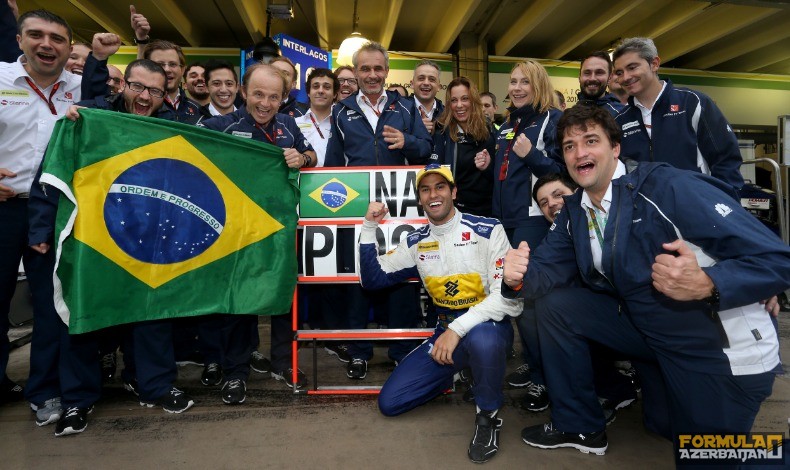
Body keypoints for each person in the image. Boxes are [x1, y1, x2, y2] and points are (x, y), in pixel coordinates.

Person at [503, 105, 789, 455]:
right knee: (556, 307)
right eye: (569, 146)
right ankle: (580, 427)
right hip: (650, 330)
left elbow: (775, 258)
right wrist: (516, 275)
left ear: (616, 148)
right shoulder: (576, 209)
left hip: (713, 347)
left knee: (703, 453)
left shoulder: (669, 186)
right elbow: (546, 270)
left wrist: (711, 283)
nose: (580, 153)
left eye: (591, 140)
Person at [59, 59, 196, 418]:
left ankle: (155, 384)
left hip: (149, 235)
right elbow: (58, 166)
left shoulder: (173, 127)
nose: (145, 96)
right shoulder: (89, 114)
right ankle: (79, 398)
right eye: (138, 86)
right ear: (123, 86)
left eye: (155, 91)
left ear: (165, 95)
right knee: (88, 311)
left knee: (152, 313)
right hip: (94, 233)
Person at [364, 164, 521, 463]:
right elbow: (372, 279)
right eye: (425, 189)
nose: (433, 194)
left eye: (440, 187)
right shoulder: (416, 241)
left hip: (488, 328)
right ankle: (459, 371)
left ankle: (487, 415)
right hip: (445, 334)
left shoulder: (489, 229)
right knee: (390, 402)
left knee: (484, 339)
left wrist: (457, 330)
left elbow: (510, 301)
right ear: (420, 198)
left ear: (453, 192)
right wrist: (369, 227)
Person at [0, 9, 99, 437]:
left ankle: (44, 392)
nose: (47, 45)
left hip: (55, 215)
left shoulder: (81, 88)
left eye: (57, 39)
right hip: (4, 209)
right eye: (37, 35)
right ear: (20, 39)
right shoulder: (0, 79)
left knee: (51, 306)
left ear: (67, 47)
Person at [199, 63, 316, 404]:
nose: (265, 103)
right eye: (259, 94)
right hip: (237, 233)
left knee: (282, 299)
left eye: (274, 97)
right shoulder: (219, 126)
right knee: (240, 304)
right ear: (244, 93)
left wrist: (302, 158)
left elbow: (311, 155)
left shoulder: (289, 125)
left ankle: (283, 363)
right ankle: (236, 372)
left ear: (284, 99)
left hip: (280, 230)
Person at [324, 41, 432, 380]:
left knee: (401, 277)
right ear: (355, 73)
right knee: (359, 280)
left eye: (378, 68)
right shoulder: (340, 110)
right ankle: (359, 351)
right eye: (365, 69)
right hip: (358, 209)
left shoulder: (405, 106)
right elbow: (331, 163)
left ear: (386, 72)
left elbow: (427, 149)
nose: (372, 75)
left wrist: (408, 142)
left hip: (400, 208)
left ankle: (401, 350)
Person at [483, 60, 564, 411]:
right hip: (505, 220)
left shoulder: (553, 119)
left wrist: (531, 156)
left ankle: (547, 379)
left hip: (533, 220)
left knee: (534, 304)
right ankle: (535, 364)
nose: (516, 88)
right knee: (517, 302)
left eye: (524, 82)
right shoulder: (509, 123)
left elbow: (564, 172)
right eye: (513, 82)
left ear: (538, 84)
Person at [612, 37, 743, 192]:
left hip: (696, 208)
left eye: (632, 67)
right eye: (619, 72)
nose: (625, 77)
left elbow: (726, 160)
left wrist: (723, 206)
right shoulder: (619, 120)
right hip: (646, 212)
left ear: (654, 64)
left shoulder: (693, 103)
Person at [431, 76, 495, 217]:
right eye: (454, 100)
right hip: (456, 212)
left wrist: (488, 166)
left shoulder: (489, 131)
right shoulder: (442, 133)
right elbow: (434, 171)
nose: (459, 105)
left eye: (465, 99)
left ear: (474, 101)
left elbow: (499, 174)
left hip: (488, 211)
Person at [142, 39, 203, 124]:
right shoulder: (139, 104)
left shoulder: (198, 110)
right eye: (160, 64)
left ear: (182, 70)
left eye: (172, 64)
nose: (167, 69)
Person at [295, 67, 337, 166]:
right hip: (302, 180)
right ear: (308, 93)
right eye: (315, 86)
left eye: (327, 87)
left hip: (336, 180)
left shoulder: (341, 124)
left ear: (335, 94)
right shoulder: (295, 123)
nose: (321, 91)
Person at [575, 51, 624, 116]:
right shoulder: (570, 115)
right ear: (579, 77)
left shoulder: (621, 115)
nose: (592, 78)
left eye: (599, 73)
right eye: (587, 73)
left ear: (609, 78)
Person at [411, 59, 444, 134]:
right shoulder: (399, 110)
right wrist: (414, 129)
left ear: (439, 87)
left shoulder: (447, 115)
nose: (426, 83)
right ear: (412, 84)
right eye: (421, 78)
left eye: (432, 79)